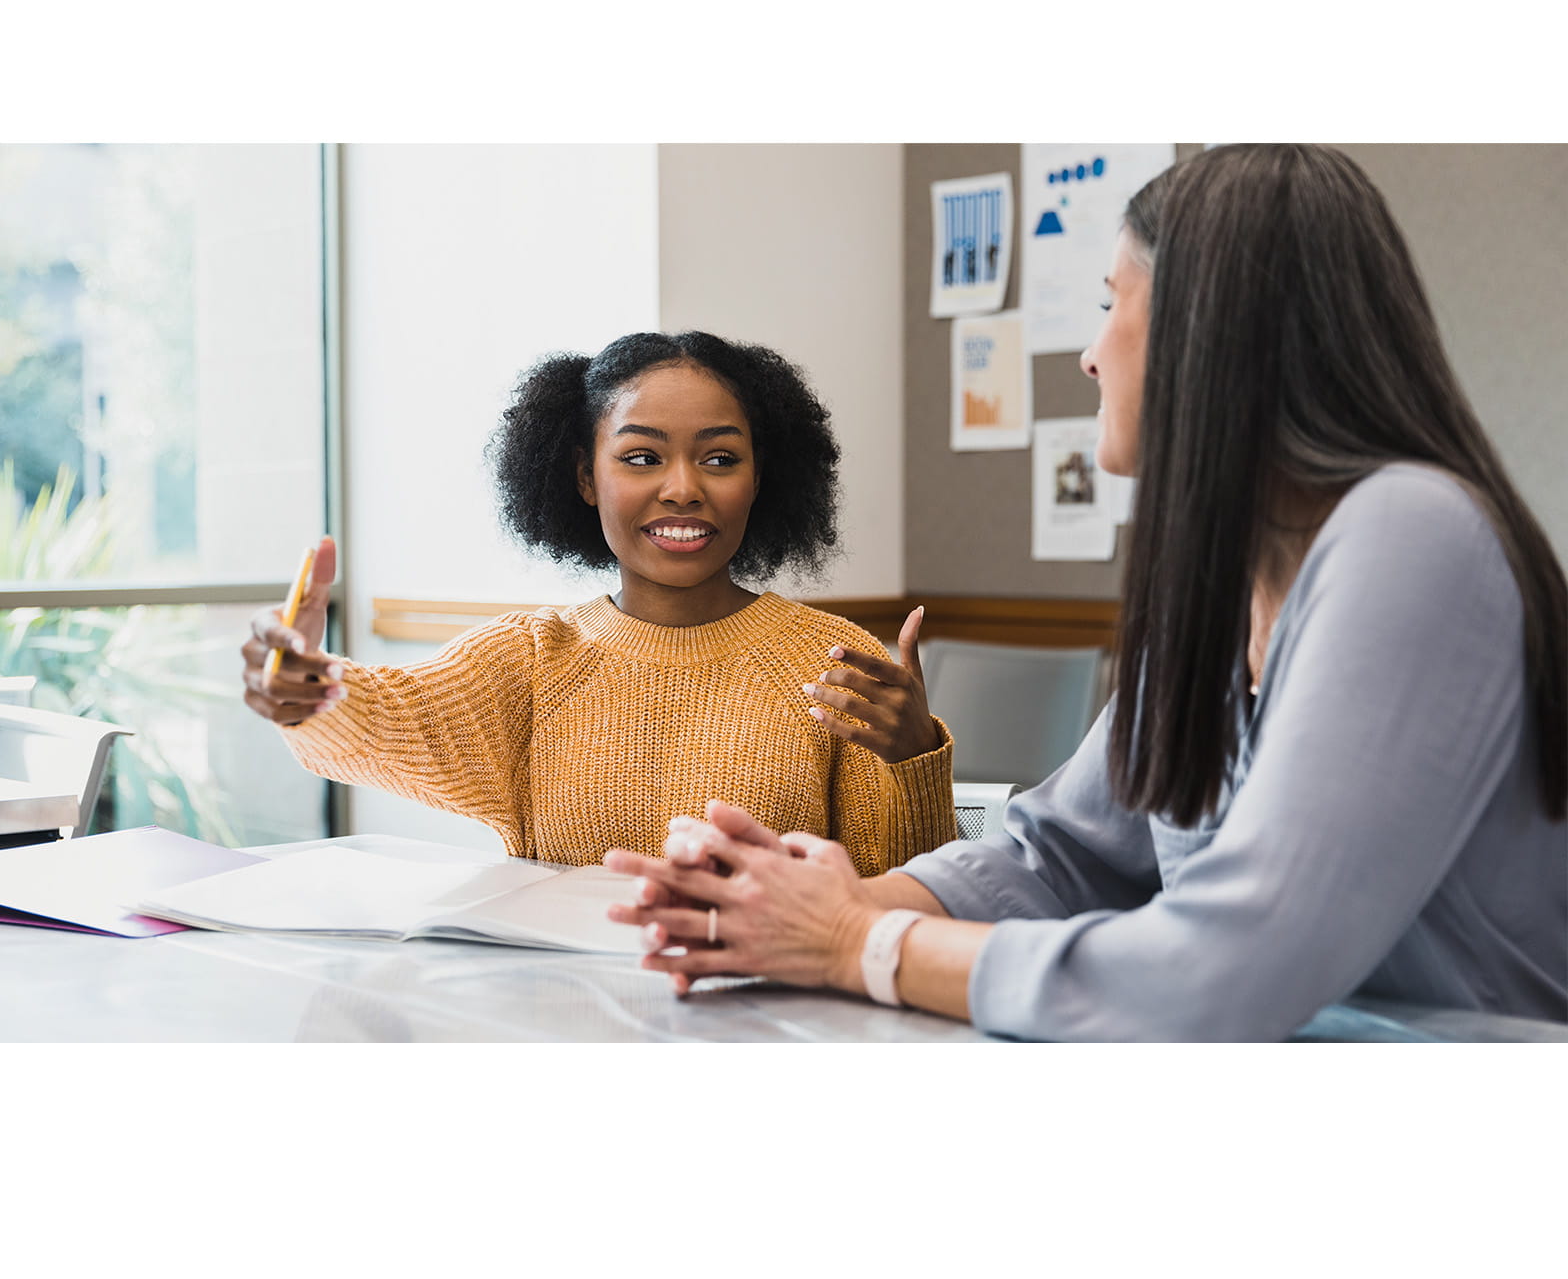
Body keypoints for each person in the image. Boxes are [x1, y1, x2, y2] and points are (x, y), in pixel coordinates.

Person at [609, 147, 1568, 1038]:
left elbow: (1230, 969)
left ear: (1205, 333)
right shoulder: (1217, 588)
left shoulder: (1413, 533)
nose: (1091, 354)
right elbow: (1061, 852)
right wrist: (798, 901)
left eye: (1112, 303)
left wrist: (854, 942)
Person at [240, 331, 955, 872]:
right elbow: (388, 716)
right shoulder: (530, 660)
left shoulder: (833, 664)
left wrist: (915, 757)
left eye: (719, 458)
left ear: (761, 479)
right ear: (586, 478)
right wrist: (305, 688)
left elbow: (907, 901)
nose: (683, 489)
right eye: (642, 457)